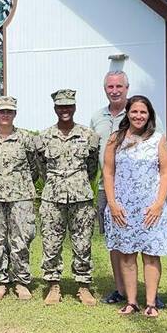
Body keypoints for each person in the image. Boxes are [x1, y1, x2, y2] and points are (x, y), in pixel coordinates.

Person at [102, 95, 167, 317]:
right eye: (134, 112)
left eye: (143, 112)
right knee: (126, 254)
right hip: (123, 208)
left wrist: (159, 204)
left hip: (150, 209)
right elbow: (108, 171)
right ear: (128, 113)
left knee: (151, 255)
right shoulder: (116, 139)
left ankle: (150, 303)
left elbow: (165, 171)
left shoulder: (158, 139)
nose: (138, 116)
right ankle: (132, 302)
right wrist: (112, 204)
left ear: (149, 115)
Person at [37, 89, 100, 306]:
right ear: (55, 108)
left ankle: (83, 286)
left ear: (74, 107)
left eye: (69, 106)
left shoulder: (89, 136)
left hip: (80, 197)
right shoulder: (43, 137)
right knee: (51, 242)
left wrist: (76, 183)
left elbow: (92, 168)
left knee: (82, 242)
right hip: (52, 197)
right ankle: (54, 285)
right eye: (61, 106)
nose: (65, 110)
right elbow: (41, 168)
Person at [0, 96, 40, 300]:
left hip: (21, 195)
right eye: (2, 111)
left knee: (21, 239)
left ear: (15, 113)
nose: (5, 115)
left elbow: (35, 167)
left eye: (9, 111)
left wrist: (19, 184)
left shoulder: (26, 138)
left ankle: (21, 281)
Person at [90, 70, 130, 303]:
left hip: (133, 188)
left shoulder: (138, 113)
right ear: (105, 89)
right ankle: (120, 289)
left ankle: (147, 289)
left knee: (139, 239)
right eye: (110, 87)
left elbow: (158, 146)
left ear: (127, 88)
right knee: (114, 240)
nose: (114, 91)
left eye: (119, 87)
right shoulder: (97, 117)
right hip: (107, 188)